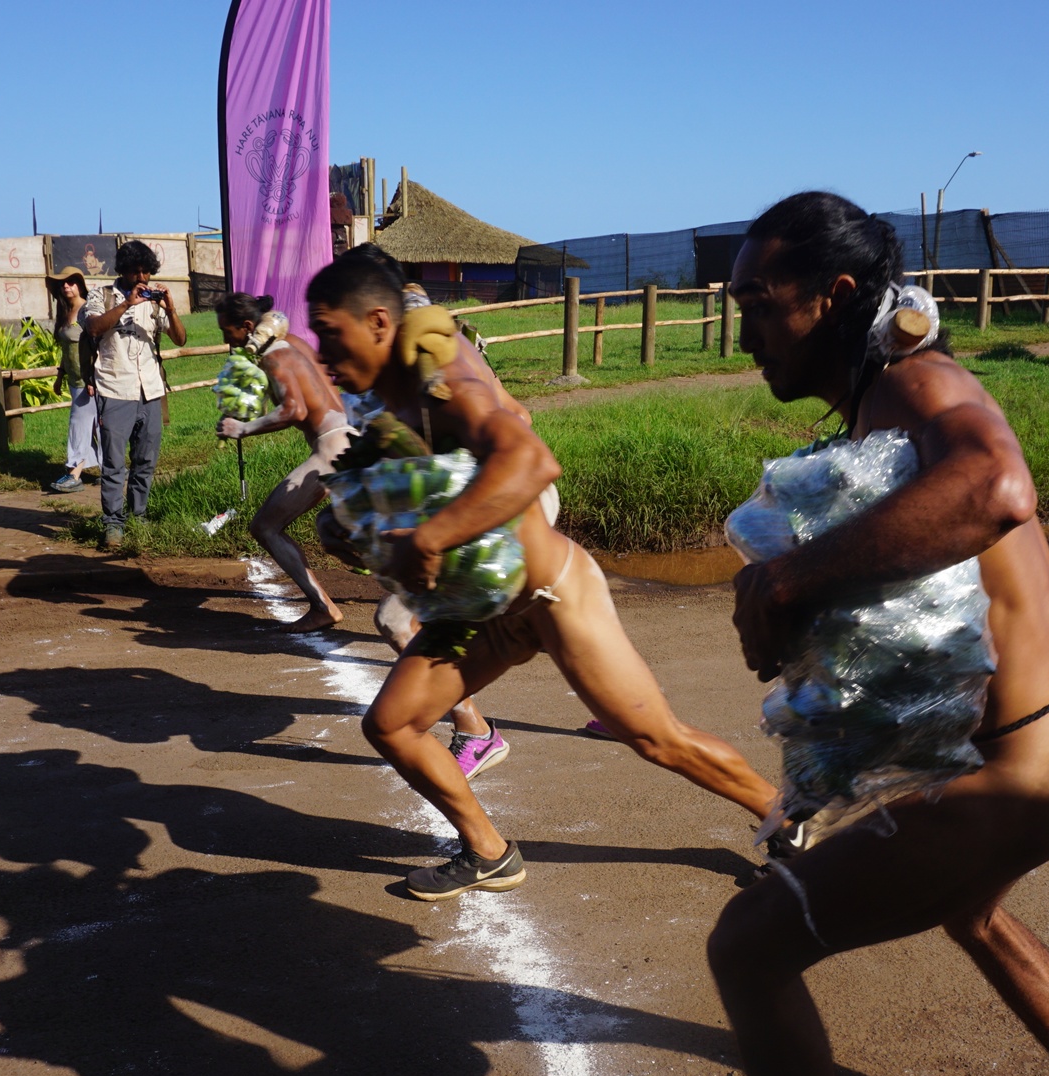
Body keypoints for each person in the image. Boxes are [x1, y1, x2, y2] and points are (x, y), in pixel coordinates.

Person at [677, 193, 1049, 1076]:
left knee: (748, 947)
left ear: (835, 296)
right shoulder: (883, 399)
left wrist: (789, 573)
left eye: (761, 301)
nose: (745, 327)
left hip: (1017, 769)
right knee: (967, 909)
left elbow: (995, 487)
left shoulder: (918, 381)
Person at [305, 244, 785, 900]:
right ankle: (489, 852)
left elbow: (532, 461)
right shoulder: (384, 396)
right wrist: (353, 525)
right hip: (484, 607)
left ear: (380, 323)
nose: (322, 354)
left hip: (554, 595)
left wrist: (432, 536)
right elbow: (433, 482)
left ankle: (788, 817)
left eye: (331, 334)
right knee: (392, 724)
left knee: (656, 739)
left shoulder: (438, 365)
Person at [216, 290, 510, 777]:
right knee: (404, 614)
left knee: (400, 619)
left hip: (465, 503)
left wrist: (244, 428)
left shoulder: (447, 376)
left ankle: (476, 732)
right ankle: (475, 727)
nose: (335, 361)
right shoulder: (386, 388)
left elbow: (294, 408)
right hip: (432, 497)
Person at [83, 240, 186, 549]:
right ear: (123, 271)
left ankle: (138, 517)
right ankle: (113, 524)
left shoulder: (154, 301)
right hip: (115, 387)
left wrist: (171, 308)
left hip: (150, 390)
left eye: (146, 272)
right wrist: (127, 303)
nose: (142, 278)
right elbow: (92, 327)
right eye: (135, 272)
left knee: (146, 460)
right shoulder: (101, 295)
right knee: (114, 462)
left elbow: (179, 339)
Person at [47, 266, 98, 495]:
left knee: (79, 426)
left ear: (80, 284)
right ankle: (112, 468)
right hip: (74, 380)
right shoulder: (65, 312)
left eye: (71, 282)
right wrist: (59, 376)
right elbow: (66, 350)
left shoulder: (88, 310)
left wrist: (92, 379)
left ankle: (73, 474)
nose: (66, 286)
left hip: (89, 381)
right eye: (62, 284)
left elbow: (97, 347)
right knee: (94, 426)